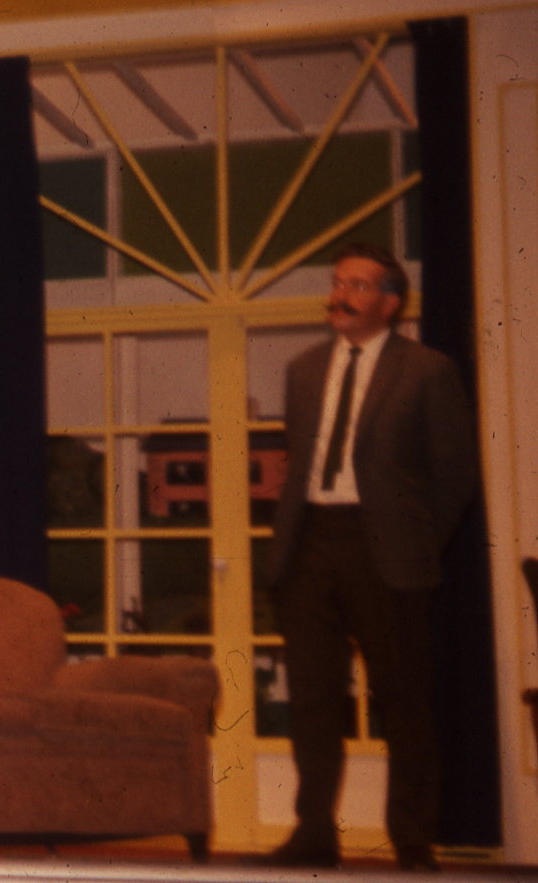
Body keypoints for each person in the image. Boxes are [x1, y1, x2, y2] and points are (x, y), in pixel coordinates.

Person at [254, 242, 479, 872]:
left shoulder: (426, 371)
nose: (340, 295)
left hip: (386, 551)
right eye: (337, 282)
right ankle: (313, 834)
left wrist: (417, 540)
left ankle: (412, 839)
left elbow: (454, 472)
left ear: (390, 301)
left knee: (403, 699)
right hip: (309, 545)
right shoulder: (303, 369)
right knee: (313, 699)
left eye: (356, 285)